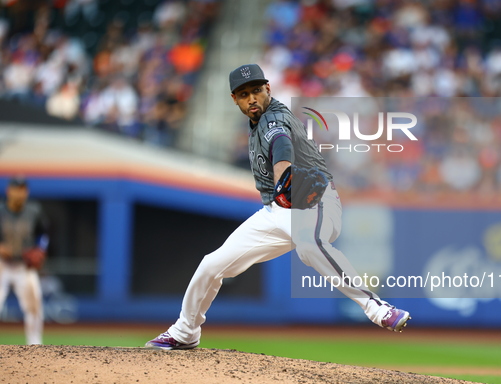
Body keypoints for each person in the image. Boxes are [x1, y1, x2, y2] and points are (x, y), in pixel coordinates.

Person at [146, 64, 410, 350]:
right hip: (277, 211)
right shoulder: (255, 123)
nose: (252, 99)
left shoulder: (274, 119)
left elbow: (281, 145)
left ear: (268, 89)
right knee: (211, 265)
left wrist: (283, 176)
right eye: (244, 94)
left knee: (308, 246)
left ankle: (377, 308)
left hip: (315, 201)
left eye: (257, 91)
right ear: (234, 99)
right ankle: (185, 332)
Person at [0, 176, 49, 345]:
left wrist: (40, 249)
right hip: (2, 265)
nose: (19, 193)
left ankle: (35, 348)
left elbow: (43, 235)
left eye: (22, 189)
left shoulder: (34, 211)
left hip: (23, 265)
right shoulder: (1, 211)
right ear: (8, 191)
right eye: (16, 189)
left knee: (34, 308)